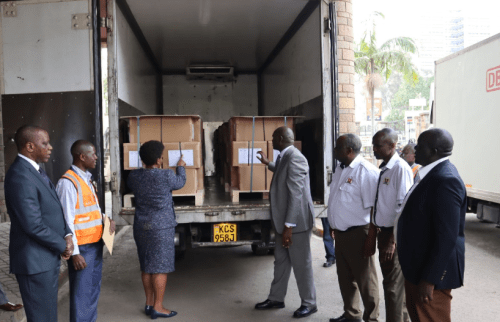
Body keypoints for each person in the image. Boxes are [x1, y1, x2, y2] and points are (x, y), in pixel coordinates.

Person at [4, 125, 73, 322]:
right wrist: (62, 245)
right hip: (34, 263)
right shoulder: (20, 175)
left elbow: (54, 209)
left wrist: (67, 234)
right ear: (30, 146)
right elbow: (32, 224)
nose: (50, 147)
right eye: (45, 143)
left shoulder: (34, 171)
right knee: (42, 318)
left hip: (43, 259)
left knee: (48, 315)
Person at [396, 128, 466, 322]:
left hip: (429, 276)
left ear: (434, 150)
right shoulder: (430, 173)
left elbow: (447, 236)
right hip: (418, 268)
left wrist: (430, 279)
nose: (414, 148)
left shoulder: (446, 179)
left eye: (420, 145)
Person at [255, 126, 317, 318]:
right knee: (280, 262)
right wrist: (268, 163)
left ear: (281, 138)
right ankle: (276, 298)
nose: (271, 140)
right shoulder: (285, 156)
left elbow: (296, 195)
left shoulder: (296, 158)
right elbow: (284, 171)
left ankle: (309, 303)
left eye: (273, 137)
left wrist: (289, 226)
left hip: (295, 224)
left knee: (301, 264)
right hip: (285, 223)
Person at [56, 140, 116, 322]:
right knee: (82, 296)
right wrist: (74, 253)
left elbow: (90, 209)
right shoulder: (68, 183)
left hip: (95, 244)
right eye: (93, 154)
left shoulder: (85, 178)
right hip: (83, 249)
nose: (96, 157)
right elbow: (66, 221)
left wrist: (106, 219)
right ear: (82, 157)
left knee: (91, 292)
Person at [127, 140, 186, 319]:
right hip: (161, 228)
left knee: (146, 266)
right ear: (159, 160)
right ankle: (158, 307)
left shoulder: (133, 176)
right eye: (162, 156)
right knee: (159, 267)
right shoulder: (166, 176)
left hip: (141, 226)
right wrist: (181, 166)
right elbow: (180, 182)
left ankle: (149, 303)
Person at [327, 134, 380, 322]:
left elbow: (374, 209)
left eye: (337, 147)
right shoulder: (341, 169)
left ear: (349, 150)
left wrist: (370, 238)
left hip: (359, 233)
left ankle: (372, 318)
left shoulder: (366, 171)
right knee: (345, 278)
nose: (334, 151)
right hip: (341, 233)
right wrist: (333, 224)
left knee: (366, 281)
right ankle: (352, 315)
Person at [370, 129, 413, 322]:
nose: (374, 149)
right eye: (374, 145)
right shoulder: (386, 168)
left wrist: (392, 241)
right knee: (394, 288)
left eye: (378, 145)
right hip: (385, 233)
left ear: (392, 146)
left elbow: (402, 208)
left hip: (393, 235)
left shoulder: (400, 169)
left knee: (393, 288)